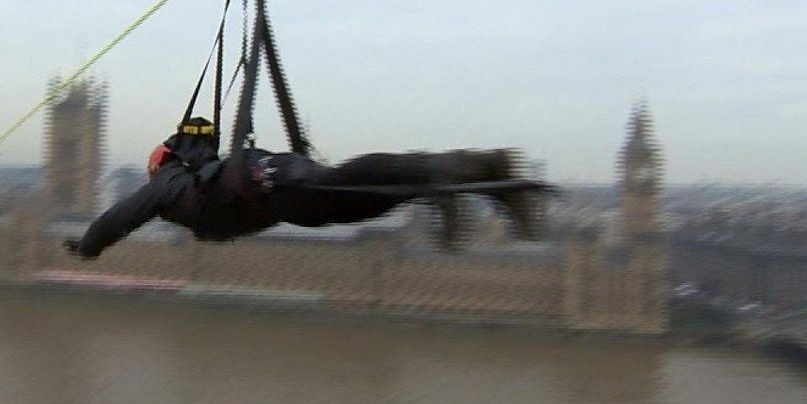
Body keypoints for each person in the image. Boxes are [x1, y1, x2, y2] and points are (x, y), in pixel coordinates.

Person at [63, 117, 542, 259]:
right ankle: (471, 176)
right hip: (279, 192)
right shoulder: (194, 176)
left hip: (274, 189)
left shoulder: (167, 184)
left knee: (349, 186)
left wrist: (86, 247)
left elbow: (118, 218)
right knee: (359, 201)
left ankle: (448, 174)